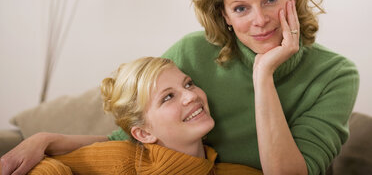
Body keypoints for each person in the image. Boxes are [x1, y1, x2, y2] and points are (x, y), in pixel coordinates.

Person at [1, 0, 359, 175]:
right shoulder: (191, 52)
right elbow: (132, 139)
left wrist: (263, 75)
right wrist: (45, 139)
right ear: (224, 15)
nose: (260, 20)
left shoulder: (335, 74)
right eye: (240, 8)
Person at [22, 57, 262, 175]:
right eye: (168, 97)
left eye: (188, 84)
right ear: (144, 133)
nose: (191, 97)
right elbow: (43, 167)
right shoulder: (122, 160)